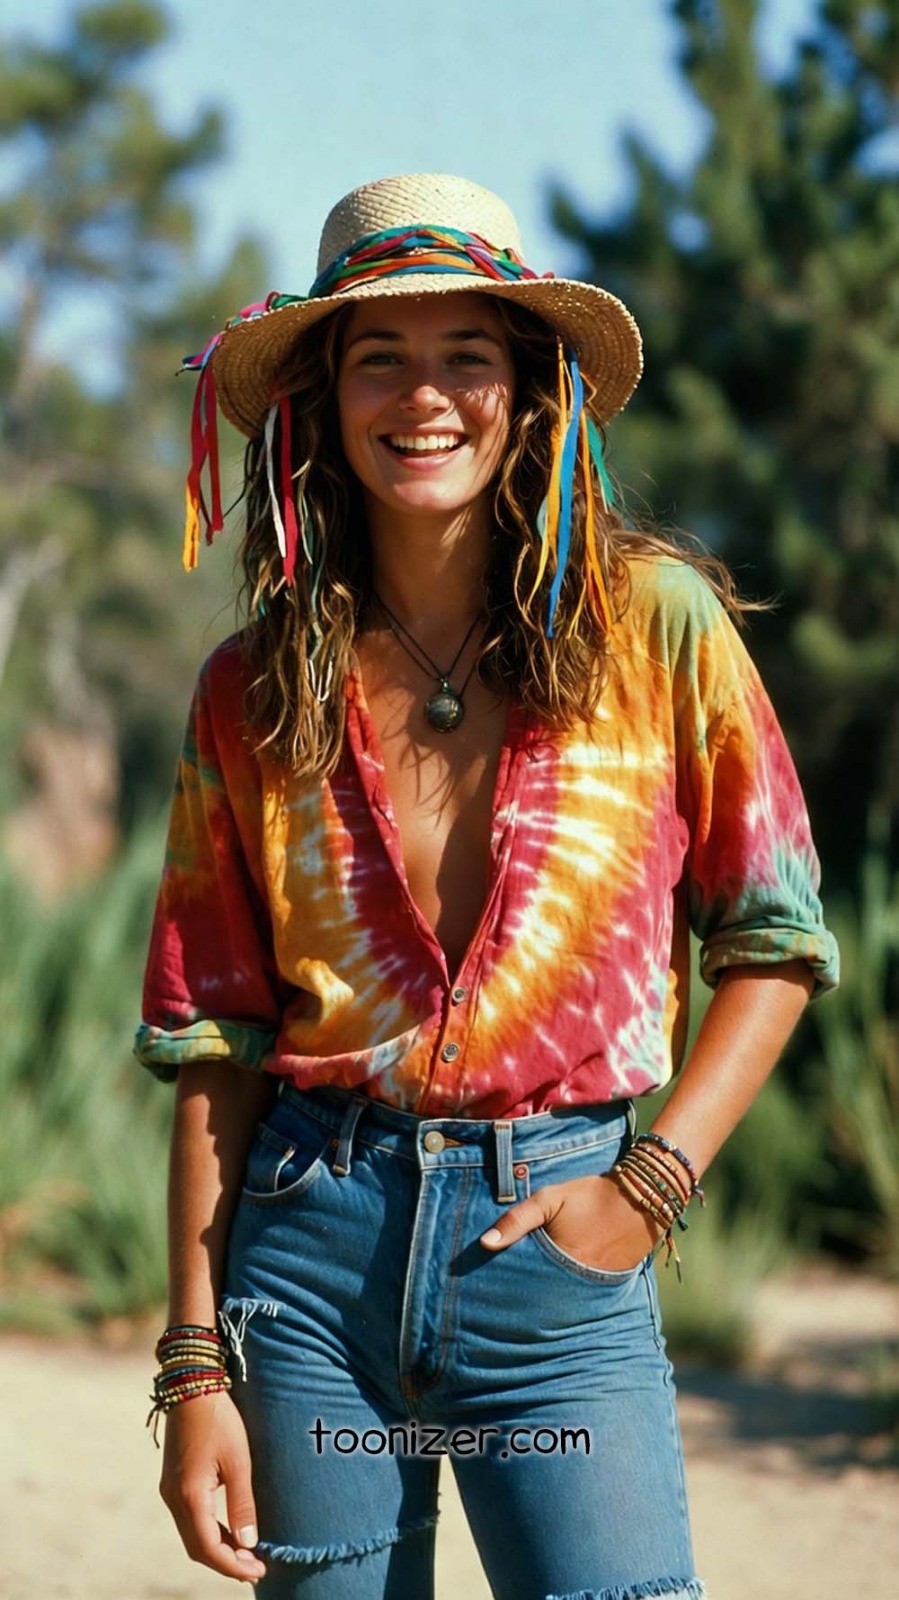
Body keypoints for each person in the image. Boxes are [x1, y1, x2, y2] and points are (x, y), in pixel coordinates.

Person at [135, 173, 839, 1600]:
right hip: (311, 1251)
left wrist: (646, 1186)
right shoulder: (255, 686)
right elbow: (215, 1036)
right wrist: (195, 1361)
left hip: (557, 1254)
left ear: (531, 391)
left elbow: (774, 938)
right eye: (379, 358)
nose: (425, 396)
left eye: (469, 354)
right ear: (325, 402)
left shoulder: (657, 630)